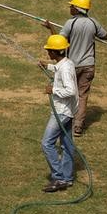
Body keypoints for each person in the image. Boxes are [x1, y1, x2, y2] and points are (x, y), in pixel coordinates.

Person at [42, 0, 107, 137]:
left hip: (73, 65)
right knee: (82, 95)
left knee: (70, 92)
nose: (70, 8)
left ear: (78, 9)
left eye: (72, 6)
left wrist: (50, 27)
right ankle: (78, 126)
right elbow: (105, 36)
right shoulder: (93, 23)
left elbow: (59, 41)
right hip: (89, 65)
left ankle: (67, 120)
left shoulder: (70, 23)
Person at [39, 34, 78, 193]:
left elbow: (71, 90)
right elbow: (58, 69)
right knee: (67, 145)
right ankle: (67, 179)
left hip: (61, 112)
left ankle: (59, 177)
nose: (48, 53)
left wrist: (53, 90)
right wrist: (47, 66)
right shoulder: (66, 63)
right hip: (68, 111)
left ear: (55, 52)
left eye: (49, 51)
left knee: (46, 143)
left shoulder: (66, 68)